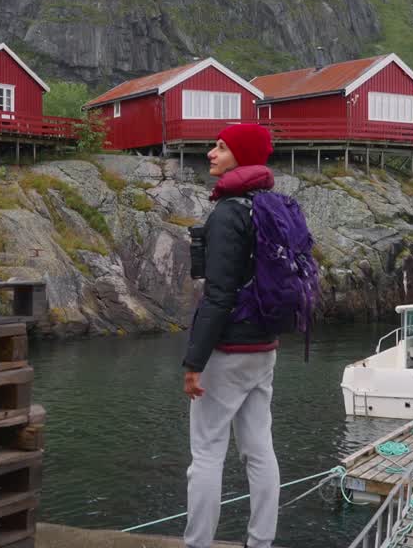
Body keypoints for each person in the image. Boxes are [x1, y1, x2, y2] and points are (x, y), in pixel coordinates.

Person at [183, 123, 280, 548]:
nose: (211, 152)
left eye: (221, 147)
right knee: (259, 450)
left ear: (241, 155)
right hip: (265, 348)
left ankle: (197, 544)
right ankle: (261, 542)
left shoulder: (227, 212)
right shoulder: (271, 205)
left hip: (229, 350)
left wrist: (193, 362)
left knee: (206, 454)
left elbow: (219, 295)